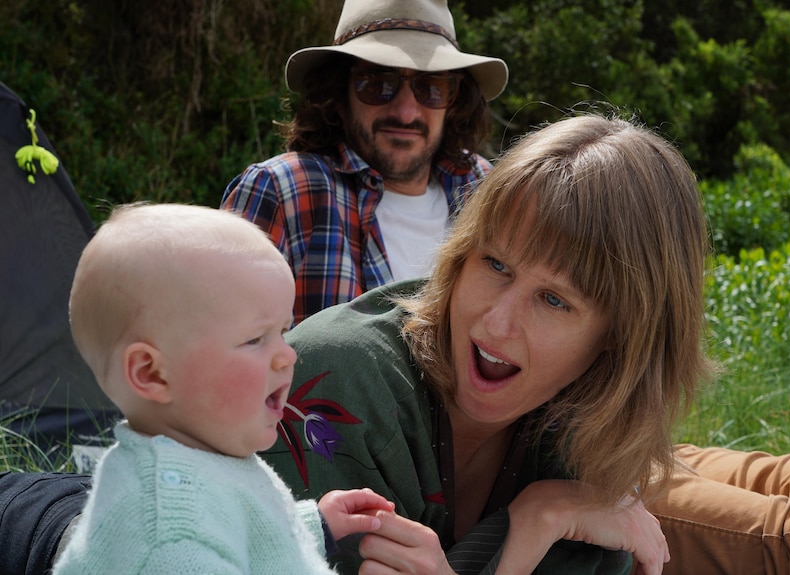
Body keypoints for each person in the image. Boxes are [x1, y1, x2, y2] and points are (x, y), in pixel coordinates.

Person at [261, 113, 710, 574]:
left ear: (620, 337)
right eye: (495, 265)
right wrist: (532, 525)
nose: (496, 324)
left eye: (553, 300)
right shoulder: (339, 384)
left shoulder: (591, 433)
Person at [51, 203, 394, 574]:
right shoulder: (174, 536)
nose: (287, 356)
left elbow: (237, 529)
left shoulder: (195, 459)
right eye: (254, 339)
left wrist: (313, 524)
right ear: (153, 374)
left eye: (282, 332)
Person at [221, 0, 507, 324]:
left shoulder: (484, 189)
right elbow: (219, 343)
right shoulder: (282, 191)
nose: (406, 112)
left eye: (431, 87)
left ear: (454, 101)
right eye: (377, 84)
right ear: (338, 94)